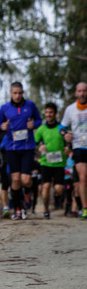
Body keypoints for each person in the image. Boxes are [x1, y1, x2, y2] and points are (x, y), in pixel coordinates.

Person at [0, 82, 42, 220]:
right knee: (15, 180)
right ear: (11, 93)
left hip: (28, 147)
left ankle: (28, 192)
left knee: (26, 179)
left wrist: (33, 124)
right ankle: (18, 209)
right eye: (15, 93)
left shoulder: (30, 105)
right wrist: (3, 126)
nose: (17, 96)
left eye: (20, 93)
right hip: (12, 148)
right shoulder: (4, 108)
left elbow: (39, 120)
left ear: (23, 93)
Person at [59, 82, 87, 220]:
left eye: (84, 91)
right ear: (76, 93)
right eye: (79, 91)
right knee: (82, 177)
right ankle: (85, 208)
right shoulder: (70, 109)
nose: (82, 93)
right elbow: (61, 127)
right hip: (79, 147)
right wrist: (65, 135)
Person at [34, 102, 65, 219]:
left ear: (55, 113)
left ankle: (57, 199)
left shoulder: (61, 128)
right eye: (47, 112)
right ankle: (46, 209)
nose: (49, 114)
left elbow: (67, 141)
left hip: (59, 163)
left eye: (51, 112)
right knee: (45, 188)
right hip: (45, 163)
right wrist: (39, 148)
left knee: (58, 189)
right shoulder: (41, 129)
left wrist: (68, 148)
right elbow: (34, 143)